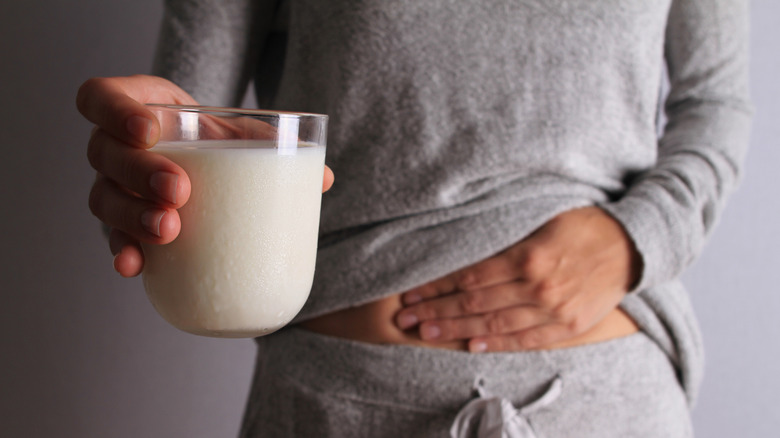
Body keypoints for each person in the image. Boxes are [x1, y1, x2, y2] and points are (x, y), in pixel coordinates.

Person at [77, 0, 752, 436]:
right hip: (331, 408)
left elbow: (716, 102)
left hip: (607, 407)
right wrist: (155, 165)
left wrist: (637, 241)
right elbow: (197, 124)